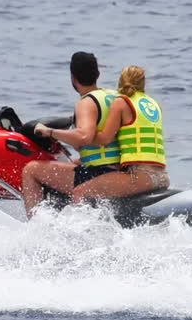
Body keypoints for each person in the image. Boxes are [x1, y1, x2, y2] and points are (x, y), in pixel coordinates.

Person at [21, 51, 124, 217]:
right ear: (98, 74)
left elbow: (84, 136)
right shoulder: (114, 96)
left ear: (73, 78)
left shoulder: (86, 102)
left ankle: (35, 225)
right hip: (120, 169)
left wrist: (50, 132)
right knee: (72, 163)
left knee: (31, 170)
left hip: (100, 172)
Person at [69, 65, 169, 203]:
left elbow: (105, 139)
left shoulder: (121, 103)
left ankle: (77, 219)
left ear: (121, 81)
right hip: (162, 176)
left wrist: (80, 137)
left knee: (80, 192)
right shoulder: (154, 104)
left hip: (141, 176)